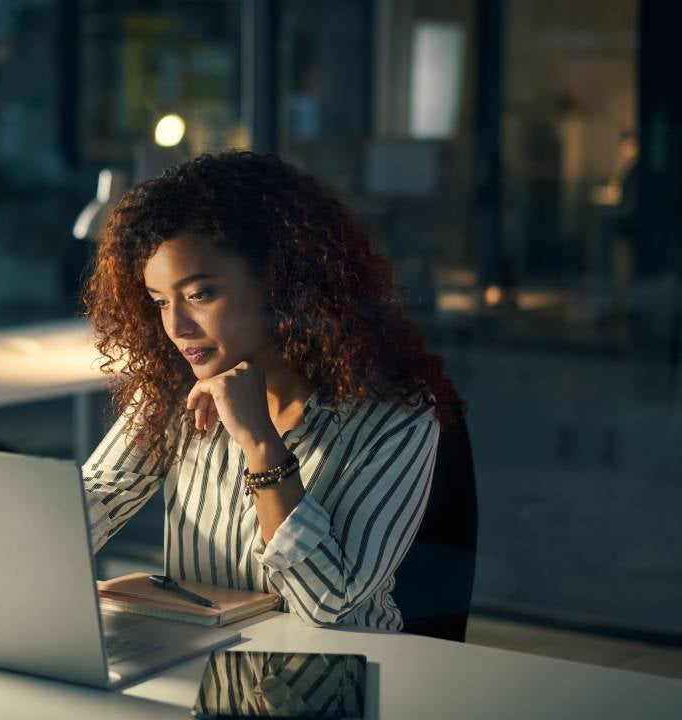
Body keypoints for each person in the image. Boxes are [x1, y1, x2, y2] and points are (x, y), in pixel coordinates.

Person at [81, 151, 462, 629]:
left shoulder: (394, 416)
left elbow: (325, 604)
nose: (176, 327)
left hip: (336, 678)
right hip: (201, 667)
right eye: (160, 302)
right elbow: (95, 499)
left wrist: (260, 444)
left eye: (200, 294)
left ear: (277, 282)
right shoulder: (174, 392)